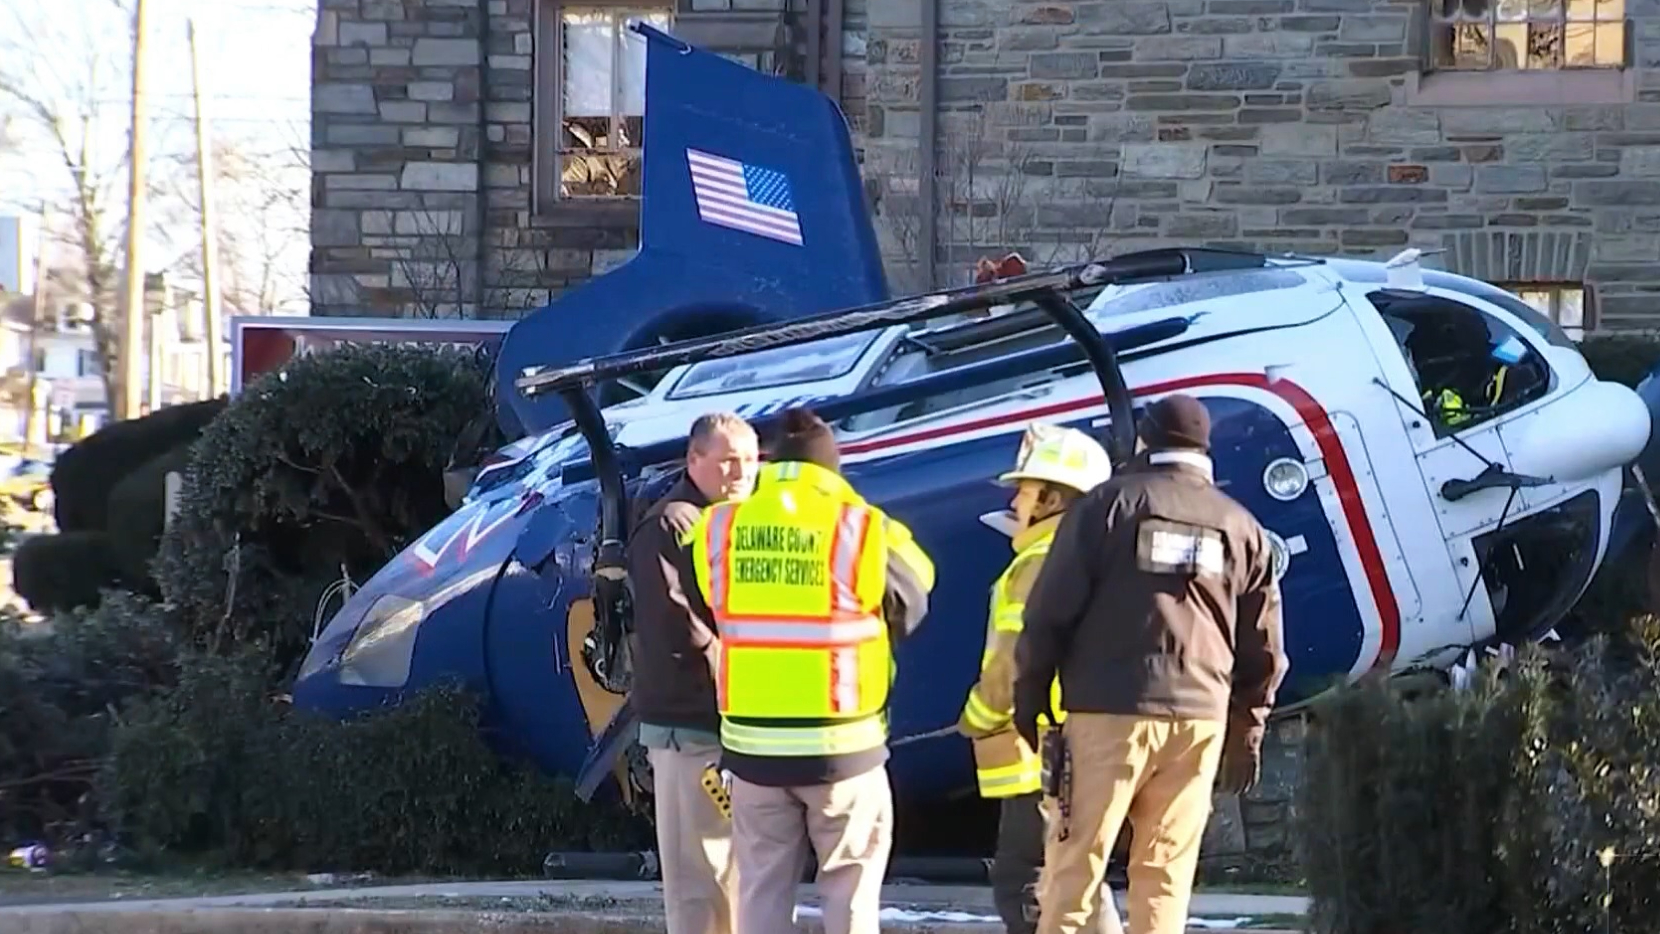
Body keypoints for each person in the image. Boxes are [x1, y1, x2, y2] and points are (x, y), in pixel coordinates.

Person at [1013, 394, 1288, 934]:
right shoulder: (1242, 527)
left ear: (1145, 442)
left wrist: (1029, 699)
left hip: (1107, 715)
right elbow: (1265, 650)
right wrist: (1247, 731)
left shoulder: (1106, 507)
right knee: (1165, 880)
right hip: (1199, 724)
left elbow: (1048, 614)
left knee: (1075, 873)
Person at [680, 407, 936, 934]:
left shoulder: (720, 526)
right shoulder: (858, 524)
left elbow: (707, 600)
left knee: (760, 889)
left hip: (752, 750)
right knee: (849, 890)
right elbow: (912, 600)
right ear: (831, 469)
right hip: (842, 747)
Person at [957, 423, 1123, 934]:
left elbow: (1011, 662)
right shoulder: (1097, 558)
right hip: (1082, 740)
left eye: (1025, 489)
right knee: (1079, 877)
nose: (1015, 500)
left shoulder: (1034, 564)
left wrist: (975, 718)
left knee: (1025, 879)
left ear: (1053, 497)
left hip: (1040, 750)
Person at [627, 411, 760, 934]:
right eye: (727, 461)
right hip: (691, 723)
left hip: (723, 724)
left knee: (728, 872)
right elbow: (679, 629)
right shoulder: (672, 523)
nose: (740, 474)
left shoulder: (731, 521)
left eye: (750, 462)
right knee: (699, 879)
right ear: (693, 460)